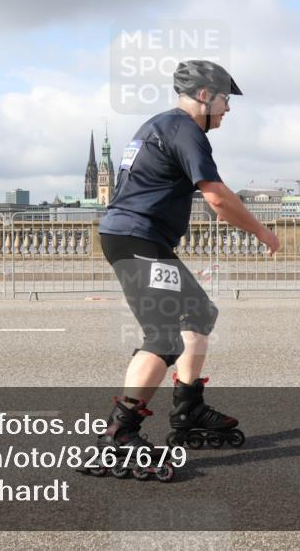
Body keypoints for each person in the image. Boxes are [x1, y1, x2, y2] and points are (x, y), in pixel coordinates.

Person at [83, 60, 280, 481]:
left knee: (199, 314)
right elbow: (218, 199)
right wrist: (264, 233)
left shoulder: (160, 125)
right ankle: (121, 430)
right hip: (139, 241)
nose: (228, 109)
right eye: (227, 99)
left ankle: (188, 407)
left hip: (142, 239)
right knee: (164, 336)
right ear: (205, 96)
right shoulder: (186, 130)